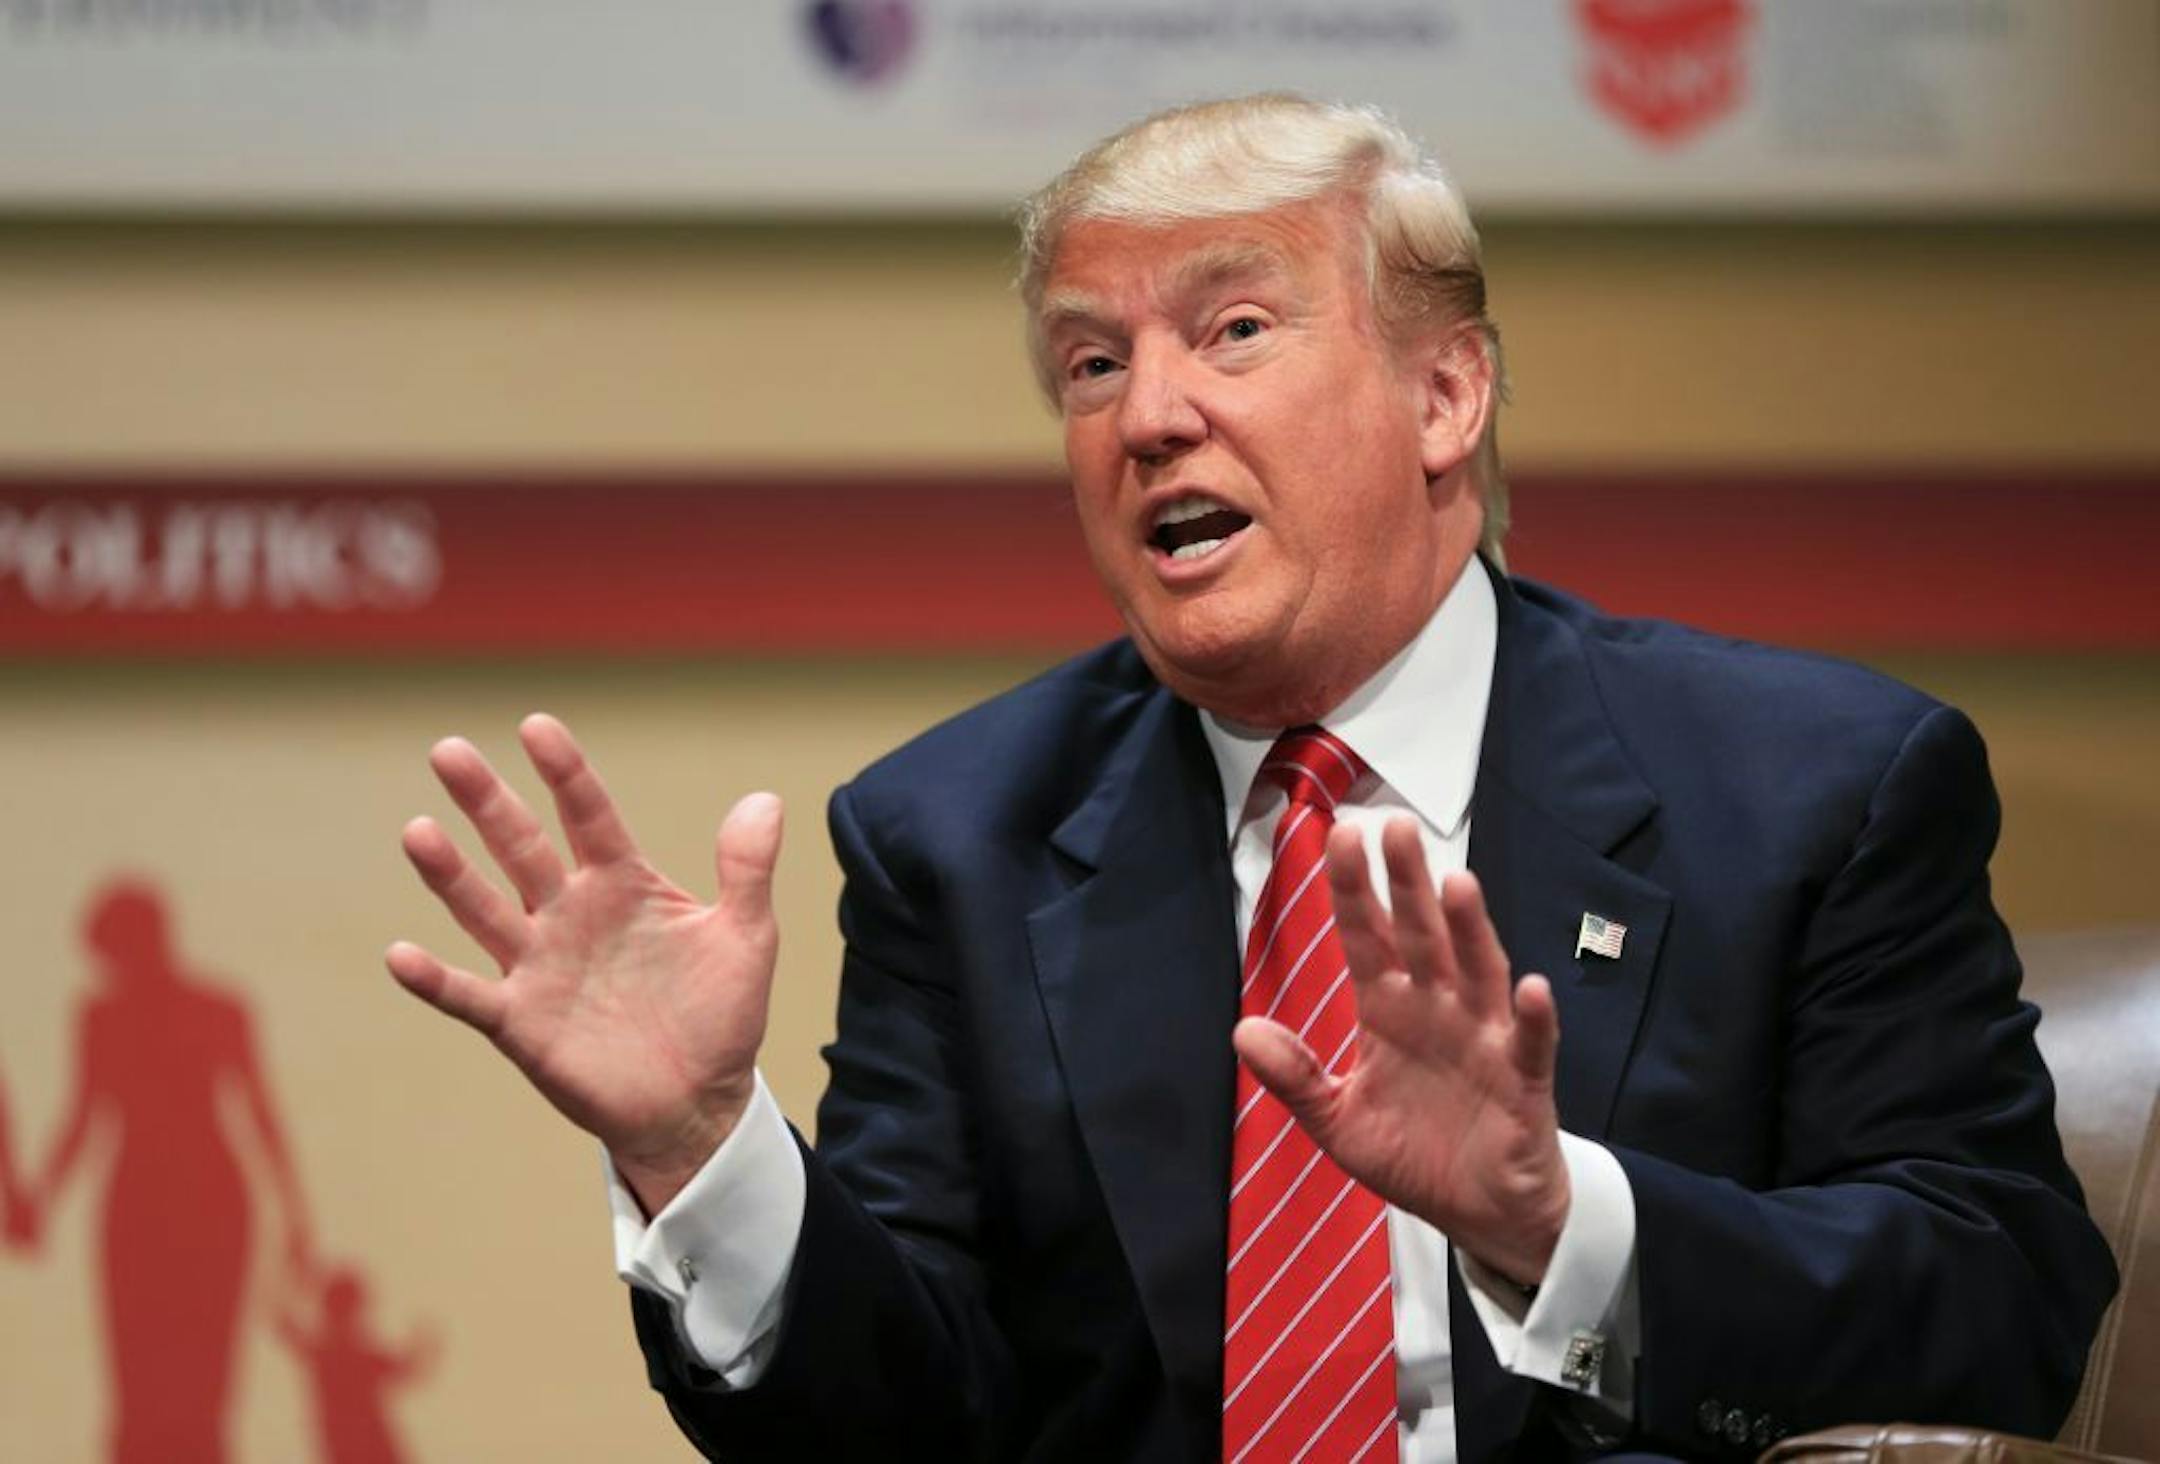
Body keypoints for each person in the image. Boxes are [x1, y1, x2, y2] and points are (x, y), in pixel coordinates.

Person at [388, 96, 2115, 1461]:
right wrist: (699, 1144)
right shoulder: (956, 838)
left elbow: (2006, 1306)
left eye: (1229, 330)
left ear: (1445, 394)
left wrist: (1558, 1223)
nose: (1146, 415)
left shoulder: (1814, 788)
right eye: (1091, 363)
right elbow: (904, 1419)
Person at [32, 879, 317, 1464]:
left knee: (203, 1383)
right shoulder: (104, 1016)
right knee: (138, 1381)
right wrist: (42, 1201)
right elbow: (82, 1118)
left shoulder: (215, 1010)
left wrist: (294, 1215)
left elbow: (260, 1113)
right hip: (144, 1203)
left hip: (204, 1202)